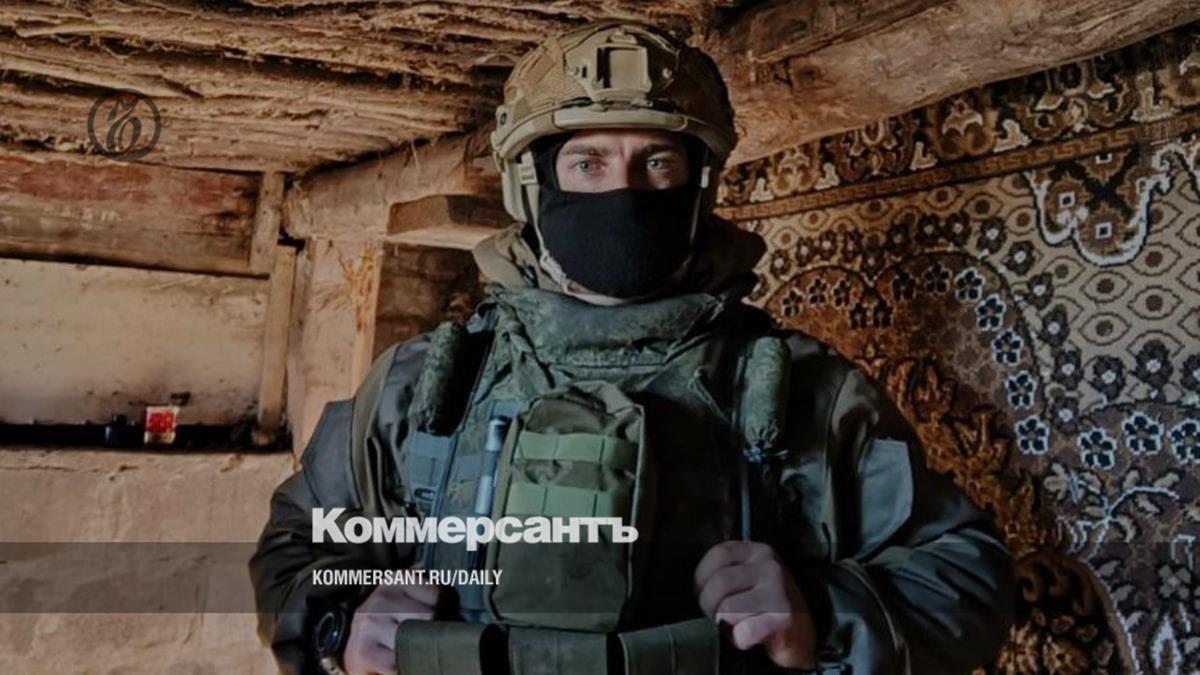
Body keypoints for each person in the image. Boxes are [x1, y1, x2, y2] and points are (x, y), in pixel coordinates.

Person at [249, 22, 1014, 675]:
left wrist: (821, 610)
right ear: (531, 184)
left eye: (658, 163)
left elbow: (970, 581)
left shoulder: (804, 392)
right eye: (588, 164)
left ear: (699, 186)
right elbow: (293, 545)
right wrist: (340, 621)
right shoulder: (419, 387)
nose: (626, 192)